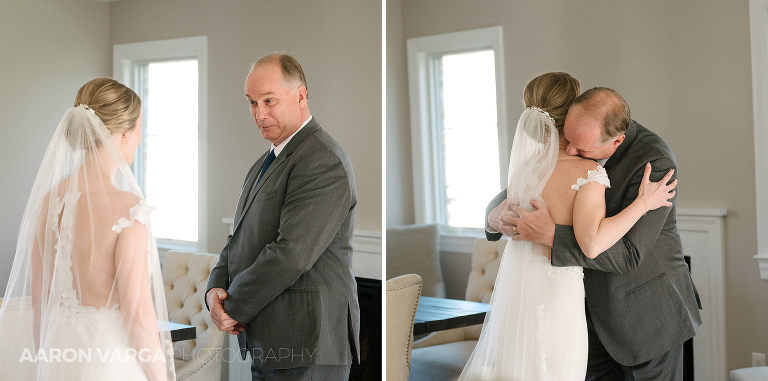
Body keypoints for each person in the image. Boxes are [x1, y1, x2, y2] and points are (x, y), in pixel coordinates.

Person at [459, 73, 678, 381]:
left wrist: (550, 235)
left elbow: (629, 255)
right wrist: (496, 217)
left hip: (640, 320)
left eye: (581, 147)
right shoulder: (546, 159)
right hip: (576, 311)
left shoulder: (654, 161)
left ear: (615, 141)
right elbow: (498, 204)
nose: (571, 151)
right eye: (569, 140)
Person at [0, 78, 175, 380]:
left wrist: (47, 360)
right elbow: (138, 315)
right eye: (140, 127)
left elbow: (39, 301)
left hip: (57, 354)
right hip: (109, 359)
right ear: (122, 134)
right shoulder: (129, 209)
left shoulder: (49, 202)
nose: (140, 137)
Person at [205, 53, 360, 380]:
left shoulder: (322, 160)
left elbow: (291, 255)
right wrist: (215, 289)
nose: (259, 113)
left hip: (309, 343)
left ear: (300, 96)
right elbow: (241, 237)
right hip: (273, 341)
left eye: (269, 100)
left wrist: (231, 306)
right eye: (252, 102)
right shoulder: (266, 160)